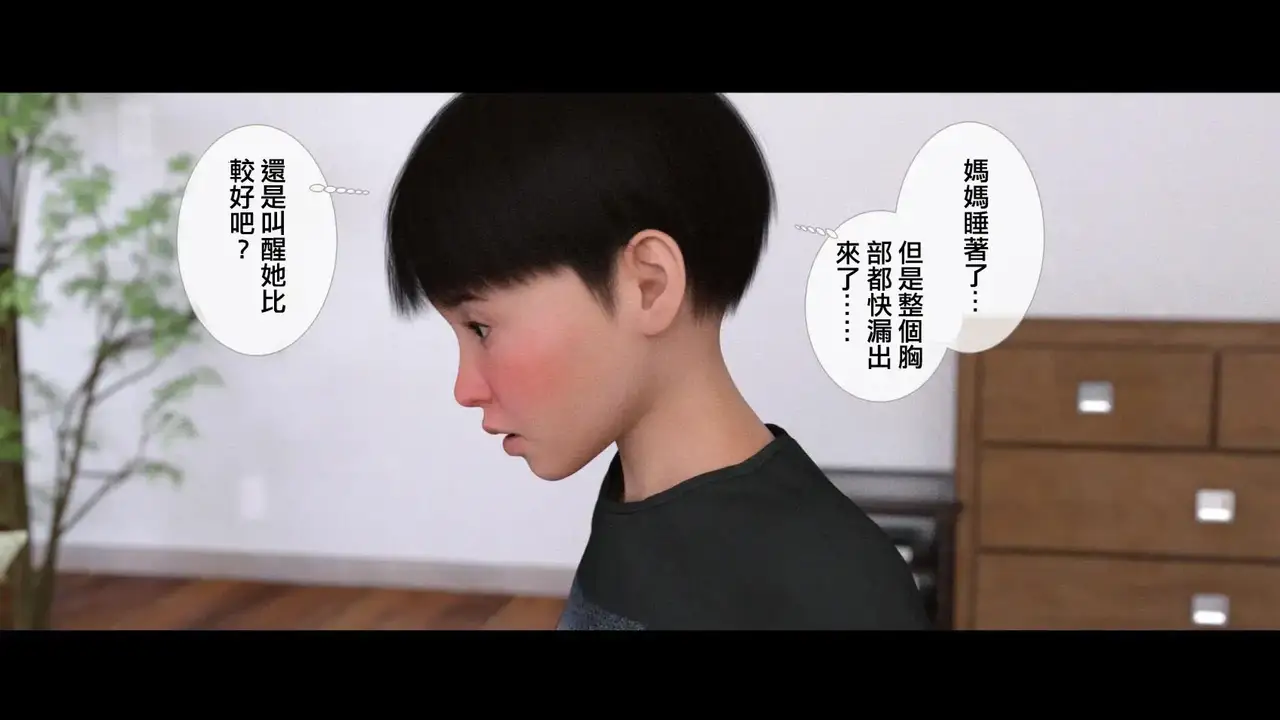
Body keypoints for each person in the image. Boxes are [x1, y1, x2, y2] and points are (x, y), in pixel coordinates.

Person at [385, 93, 931, 630]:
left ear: (648, 285)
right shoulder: (637, 501)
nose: (465, 388)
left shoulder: (831, 584)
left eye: (481, 328)